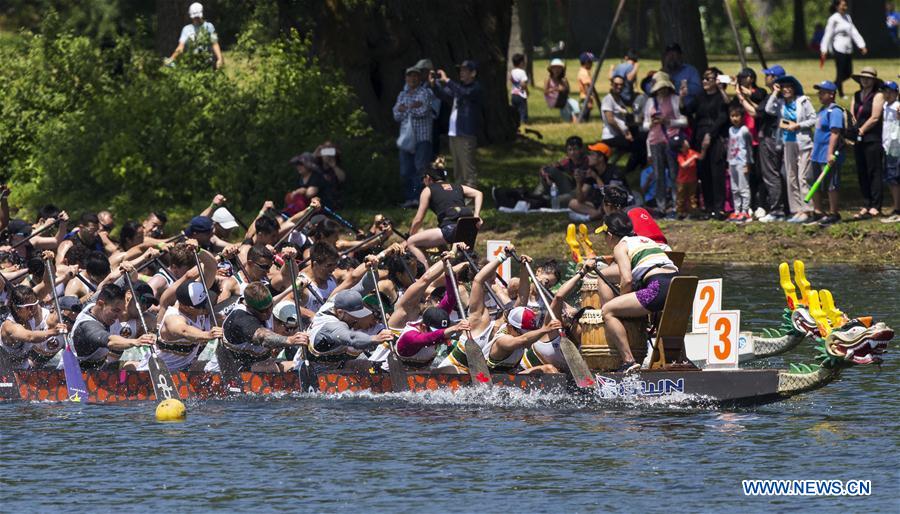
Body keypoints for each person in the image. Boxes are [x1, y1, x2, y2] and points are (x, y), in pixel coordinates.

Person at [595, 212, 678, 373]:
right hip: (677, 285)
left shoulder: (621, 246)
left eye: (604, 236)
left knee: (608, 311)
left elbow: (626, 279)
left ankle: (628, 361)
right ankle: (677, 358)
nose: (605, 240)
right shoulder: (645, 240)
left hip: (657, 287)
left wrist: (621, 304)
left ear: (610, 235)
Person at [222, 281, 308, 372]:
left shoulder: (259, 304)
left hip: (258, 364)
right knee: (271, 367)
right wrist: (290, 340)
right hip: (232, 370)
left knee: (298, 365)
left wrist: (294, 287)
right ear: (249, 307)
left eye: (270, 307)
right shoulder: (241, 320)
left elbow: (271, 302)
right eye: (263, 311)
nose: (268, 314)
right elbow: (263, 337)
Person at [738, 65, 788, 222]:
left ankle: (777, 210)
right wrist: (745, 99)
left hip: (770, 139)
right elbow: (759, 110)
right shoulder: (772, 96)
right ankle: (778, 208)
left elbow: (754, 113)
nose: (765, 78)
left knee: (771, 174)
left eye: (768, 75)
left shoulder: (775, 97)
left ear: (774, 79)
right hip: (772, 138)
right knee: (774, 173)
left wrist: (740, 98)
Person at [766, 75, 817, 223]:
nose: (786, 90)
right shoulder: (780, 102)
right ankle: (797, 209)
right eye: (784, 87)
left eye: (789, 87)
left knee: (803, 176)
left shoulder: (803, 101)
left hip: (803, 142)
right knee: (791, 176)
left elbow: (813, 119)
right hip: (788, 142)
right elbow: (769, 109)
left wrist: (798, 125)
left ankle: (808, 209)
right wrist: (775, 93)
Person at [407, 165, 482, 266]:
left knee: (412, 242)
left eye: (422, 179)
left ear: (428, 177)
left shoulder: (428, 189)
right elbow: (478, 193)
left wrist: (410, 236)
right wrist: (476, 216)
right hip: (468, 227)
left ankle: (426, 273)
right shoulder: (457, 186)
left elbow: (418, 219)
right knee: (441, 244)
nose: (423, 182)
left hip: (450, 229)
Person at [69, 284, 154, 370]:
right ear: (100, 304)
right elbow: (110, 341)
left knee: (136, 366)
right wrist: (135, 342)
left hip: (102, 366)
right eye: (115, 310)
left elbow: (122, 278)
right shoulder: (87, 326)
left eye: (120, 311)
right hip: (81, 372)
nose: (118, 316)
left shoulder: (96, 304)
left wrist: (131, 271)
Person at [142, 281, 221, 372]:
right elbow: (184, 330)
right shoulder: (173, 318)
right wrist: (207, 335)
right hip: (154, 372)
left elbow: (208, 271)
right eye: (200, 306)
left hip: (181, 371)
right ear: (184, 306)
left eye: (205, 303)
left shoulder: (195, 304)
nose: (204, 309)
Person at [305, 289, 393, 370]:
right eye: (355, 315)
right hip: (310, 369)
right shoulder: (332, 326)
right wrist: (375, 338)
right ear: (340, 312)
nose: (358, 318)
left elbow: (363, 285)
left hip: (336, 366)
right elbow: (352, 338)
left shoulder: (337, 301)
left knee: (368, 365)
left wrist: (371, 271)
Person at [685, 67, 731, 219]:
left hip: (715, 136)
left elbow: (724, 114)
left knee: (717, 172)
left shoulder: (720, 97)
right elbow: (686, 110)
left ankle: (719, 207)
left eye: (708, 79)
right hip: (699, 136)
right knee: (704, 173)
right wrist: (681, 97)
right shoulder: (700, 97)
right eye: (703, 78)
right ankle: (709, 206)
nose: (704, 81)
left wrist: (710, 134)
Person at [643, 74, 687, 215]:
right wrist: (652, 123)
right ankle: (661, 205)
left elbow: (684, 121)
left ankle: (676, 204)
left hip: (671, 140)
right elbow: (644, 125)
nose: (662, 90)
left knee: (674, 173)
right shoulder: (650, 102)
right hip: (655, 140)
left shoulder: (674, 100)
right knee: (658, 175)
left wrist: (667, 121)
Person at [393, 66, 436, 208]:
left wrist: (405, 108)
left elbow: (423, 111)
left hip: (422, 138)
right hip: (406, 140)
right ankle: (410, 199)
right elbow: (396, 114)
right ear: (406, 78)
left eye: (415, 76)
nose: (412, 79)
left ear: (419, 78)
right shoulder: (402, 94)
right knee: (406, 170)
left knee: (421, 169)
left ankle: (421, 199)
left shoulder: (426, 92)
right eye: (410, 76)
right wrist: (413, 106)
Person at [436, 60, 482, 187]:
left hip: (466, 134)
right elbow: (444, 94)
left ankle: (471, 202)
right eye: (461, 70)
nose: (461, 73)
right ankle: (459, 199)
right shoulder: (459, 89)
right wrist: (434, 84)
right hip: (454, 132)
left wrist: (448, 81)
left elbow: (464, 93)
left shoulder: (475, 88)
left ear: (473, 73)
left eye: (465, 70)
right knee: (458, 170)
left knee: (468, 170)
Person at [807, 80, 847, 226]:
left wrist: (830, 153)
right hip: (817, 153)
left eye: (822, 92)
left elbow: (835, 133)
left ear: (831, 94)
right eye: (819, 92)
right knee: (812, 180)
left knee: (831, 184)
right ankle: (818, 211)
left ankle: (834, 213)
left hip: (828, 153)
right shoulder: (822, 110)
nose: (819, 95)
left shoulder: (835, 111)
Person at [849, 67, 886, 220]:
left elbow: (875, 117)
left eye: (868, 78)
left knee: (874, 171)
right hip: (859, 139)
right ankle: (866, 203)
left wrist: (862, 130)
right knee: (862, 171)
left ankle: (876, 206)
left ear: (874, 80)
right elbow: (852, 114)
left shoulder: (878, 95)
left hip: (872, 138)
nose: (865, 80)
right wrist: (853, 130)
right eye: (863, 78)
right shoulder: (857, 95)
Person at [0, 285, 66, 370]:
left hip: (23, 364)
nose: (33, 310)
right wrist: (53, 331)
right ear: (17, 308)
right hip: (4, 367)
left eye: (35, 304)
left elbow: (47, 283)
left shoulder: (31, 309)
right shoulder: (10, 326)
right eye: (29, 307)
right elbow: (30, 337)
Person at [820, 0, 867, 98]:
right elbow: (827, 35)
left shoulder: (847, 17)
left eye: (846, 5)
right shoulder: (833, 19)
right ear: (837, 6)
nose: (845, 7)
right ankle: (841, 94)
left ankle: (832, 86)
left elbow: (854, 32)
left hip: (848, 49)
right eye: (843, 5)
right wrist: (824, 49)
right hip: (838, 48)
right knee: (840, 73)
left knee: (849, 72)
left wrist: (861, 45)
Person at [594, 185, 668, 245]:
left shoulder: (620, 219)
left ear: (609, 205)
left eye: (603, 205)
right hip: (666, 249)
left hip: (647, 250)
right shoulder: (640, 209)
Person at [601, 75, 645, 174]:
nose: (619, 87)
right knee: (638, 146)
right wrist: (625, 133)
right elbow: (610, 120)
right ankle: (629, 171)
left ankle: (623, 168)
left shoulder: (619, 99)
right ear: (611, 84)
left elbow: (625, 118)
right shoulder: (608, 99)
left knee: (640, 140)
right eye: (616, 84)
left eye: (621, 85)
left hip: (621, 134)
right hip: (611, 136)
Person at [166, 2, 223, 70]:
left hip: (207, 63)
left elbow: (214, 43)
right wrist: (172, 59)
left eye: (197, 17)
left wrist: (219, 58)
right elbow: (180, 47)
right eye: (194, 17)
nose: (196, 19)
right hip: (191, 63)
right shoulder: (186, 29)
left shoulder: (209, 27)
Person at [726, 104, 754, 222]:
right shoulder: (730, 130)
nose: (735, 118)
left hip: (742, 162)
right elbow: (729, 147)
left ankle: (745, 210)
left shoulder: (744, 130)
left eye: (737, 116)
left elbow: (748, 147)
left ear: (742, 117)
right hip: (732, 161)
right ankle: (736, 210)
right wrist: (728, 162)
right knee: (735, 188)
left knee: (744, 187)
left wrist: (748, 163)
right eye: (732, 116)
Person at [881, 81, 900, 222]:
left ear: (896, 93)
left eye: (889, 91)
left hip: (897, 147)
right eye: (884, 91)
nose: (886, 94)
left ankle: (898, 209)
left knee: (895, 177)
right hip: (887, 147)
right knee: (890, 177)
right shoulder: (884, 107)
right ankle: (896, 205)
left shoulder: (897, 107)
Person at [662, 43, 702, 108]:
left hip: (686, 108)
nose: (671, 57)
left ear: (681, 56)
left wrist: (675, 85)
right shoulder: (661, 73)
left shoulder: (690, 70)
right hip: (666, 109)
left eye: (674, 54)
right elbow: (649, 89)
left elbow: (698, 90)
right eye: (669, 54)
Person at [673, 134, 701, 219]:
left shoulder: (691, 152)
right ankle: (680, 213)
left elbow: (700, 156)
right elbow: (683, 165)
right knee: (681, 197)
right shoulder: (680, 156)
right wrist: (692, 158)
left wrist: (704, 148)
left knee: (692, 197)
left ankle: (692, 212)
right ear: (681, 148)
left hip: (692, 179)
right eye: (684, 143)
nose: (686, 142)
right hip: (682, 181)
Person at [577, 52, 601, 121]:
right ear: (586, 62)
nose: (592, 64)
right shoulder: (584, 73)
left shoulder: (584, 71)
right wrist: (590, 99)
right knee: (584, 118)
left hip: (585, 99)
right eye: (591, 62)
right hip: (585, 99)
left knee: (585, 117)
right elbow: (588, 88)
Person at [509, 53, 529, 125]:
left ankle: (514, 122)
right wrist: (526, 91)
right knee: (522, 110)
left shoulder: (512, 71)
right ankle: (523, 122)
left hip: (514, 93)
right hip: (521, 94)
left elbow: (511, 79)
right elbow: (523, 84)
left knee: (515, 110)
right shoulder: (522, 72)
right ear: (521, 63)